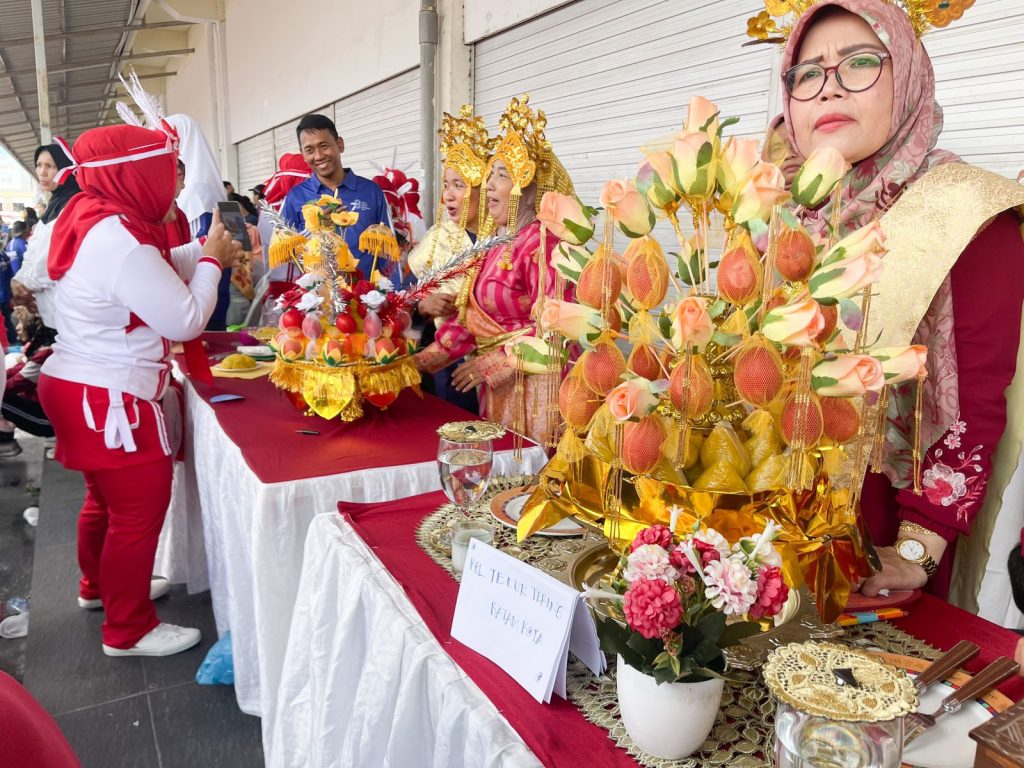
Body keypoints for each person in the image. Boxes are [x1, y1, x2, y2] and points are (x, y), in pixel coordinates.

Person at [764, 0, 1024, 616]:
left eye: (859, 62)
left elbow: (974, 403)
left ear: (906, 73)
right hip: (774, 522)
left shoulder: (962, 208)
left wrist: (915, 550)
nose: (829, 88)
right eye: (807, 73)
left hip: (880, 533)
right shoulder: (790, 214)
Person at [37, 124, 240, 657]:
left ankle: (99, 587)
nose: (174, 185)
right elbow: (184, 318)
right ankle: (127, 628)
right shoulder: (119, 239)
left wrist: (204, 250)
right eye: (166, 172)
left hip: (80, 383)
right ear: (137, 176)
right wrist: (212, 261)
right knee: (137, 513)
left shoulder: (100, 217)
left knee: (105, 503)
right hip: (109, 394)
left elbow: (152, 272)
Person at [415, 95, 574, 443]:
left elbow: (558, 332)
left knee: (532, 465)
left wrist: (494, 363)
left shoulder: (544, 246)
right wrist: (414, 365)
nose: (488, 185)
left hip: (538, 391)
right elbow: (470, 320)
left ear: (530, 189)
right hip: (499, 390)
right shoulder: (494, 244)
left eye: (502, 176)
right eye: (490, 175)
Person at [407, 105, 496, 412]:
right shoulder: (436, 239)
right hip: (447, 365)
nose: (448, 195)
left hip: (499, 366)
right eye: (446, 185)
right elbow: (404, 304)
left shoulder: (507, 239)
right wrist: (423, 306)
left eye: (459, 185)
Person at [280, 114, 392, 278]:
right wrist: (314, 230)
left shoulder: (371, 192)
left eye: (324, 146)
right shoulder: (295, 197)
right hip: (317, 292)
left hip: (366, 292)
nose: (318, 156)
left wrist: (393, 291)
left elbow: (388, 253)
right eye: (309, 150)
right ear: (302, 154)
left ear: (340, 144)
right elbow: (284, 256)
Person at [11, 139, 82, 329]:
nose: (42, 172)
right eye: (38, 165)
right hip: (49, 310)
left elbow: (51, 262)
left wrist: (24, 286)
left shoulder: (73, 205)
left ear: (66, 168)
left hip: (67, 312)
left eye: (50, 166)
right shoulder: (53, 206)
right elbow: (32, 254)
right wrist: (18, 281)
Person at [0, 309, 55, 441]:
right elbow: (15, 371)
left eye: (22, 323)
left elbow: (18, 382)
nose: (17, 327)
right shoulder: (39, 350)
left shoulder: (46, 352)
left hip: (47, 422)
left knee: (3, 399)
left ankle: (5, 440)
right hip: (47, 414)